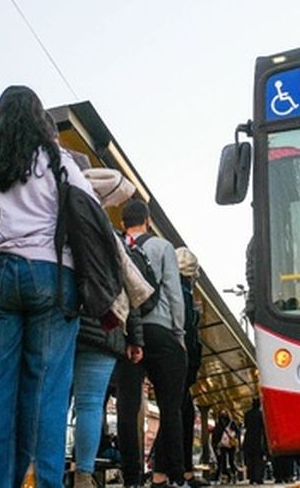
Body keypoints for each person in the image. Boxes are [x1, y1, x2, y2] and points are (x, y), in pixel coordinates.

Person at [0, 85, 95, 488]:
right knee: (45, 391)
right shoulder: (58, 161)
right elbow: (89, 212)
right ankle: (39, 480)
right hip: (52, 276)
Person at [72, 167, 144, 488]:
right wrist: (135, 338)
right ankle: (84, 475)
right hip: (106, 327)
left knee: (57, 399)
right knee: (90, 404)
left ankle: (45, 469)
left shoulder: (64, 222)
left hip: (70, 322)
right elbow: (131, 291)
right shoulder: (113, 237)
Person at [116, 199, 187, 488]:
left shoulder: (117, 245)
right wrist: (179, 334)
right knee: (171, 408)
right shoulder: (162, 247)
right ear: (147, 221)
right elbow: (174, 292)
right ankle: (176, 476)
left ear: (123, 224)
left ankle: (131, 478)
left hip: (126, 333)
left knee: (127, 408)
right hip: (160, 330)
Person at [176, 247, 206, 488]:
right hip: (181, 361)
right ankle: (178, 473)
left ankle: (182, 472)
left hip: (182, 361)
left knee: (183, 413)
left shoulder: (179, 289)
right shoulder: (182, 291)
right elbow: (186, 328)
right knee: (180, 414)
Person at [241, 400, 267, 485]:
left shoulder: (247, 414)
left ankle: (251, 478)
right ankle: (258, 477)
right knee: (258, 460)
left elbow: (246, 425)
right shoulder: (261, 414)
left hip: (249, 439)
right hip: (258, 439)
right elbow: (263, 427)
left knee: (250, 460)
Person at [212, 411, 239, 484]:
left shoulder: (229, 423)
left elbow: (237, 432)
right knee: (224, 461)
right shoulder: (221, 424)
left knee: (230, 460)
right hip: (223, 445)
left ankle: (232, 475)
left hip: (229, 444)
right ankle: (228, 476)